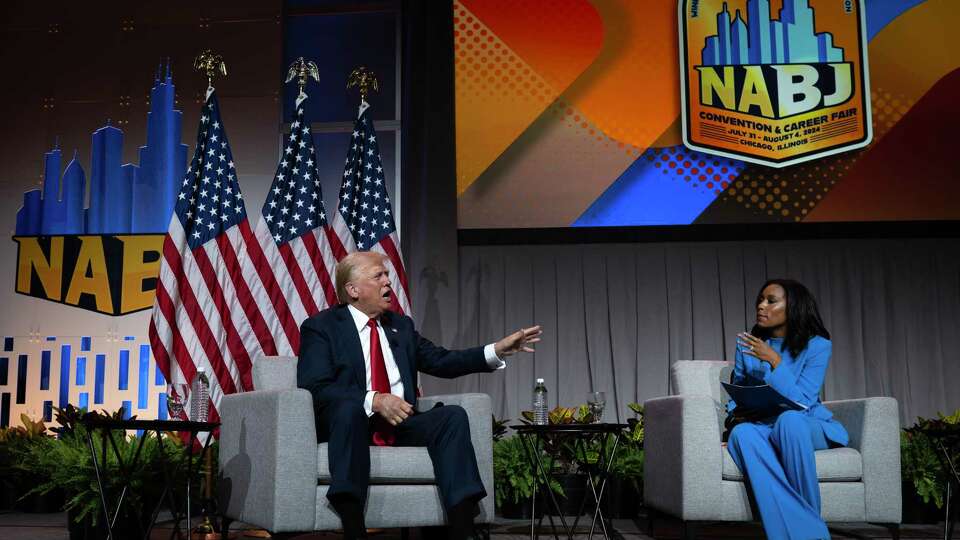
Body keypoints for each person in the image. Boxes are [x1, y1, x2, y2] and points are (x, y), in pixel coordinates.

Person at [297, 251, 541, 540]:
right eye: (379, 276)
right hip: (351, 424)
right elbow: (316, 385)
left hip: (400, 421)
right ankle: (354, 528)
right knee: (349, 410)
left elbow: (442, 360)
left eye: (387, 275)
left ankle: (463, 529)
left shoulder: (401, 326)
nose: (389, 281)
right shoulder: (322, 327)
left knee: (451, 417)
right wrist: (374, 399)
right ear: (353, 290)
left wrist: (495, 351)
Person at [725, 279, 848, 540]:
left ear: (793, 307)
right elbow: (740, 390)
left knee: (789, 420)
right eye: (760, 299)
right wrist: (735, 413)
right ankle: (810, 532)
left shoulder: (818, 346)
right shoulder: (747, 344)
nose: (761, 305)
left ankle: (806, 531)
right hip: (762, 424)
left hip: (805, 423)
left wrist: (774, 360)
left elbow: (803, 400)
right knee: (742, 435)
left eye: (771, 301)